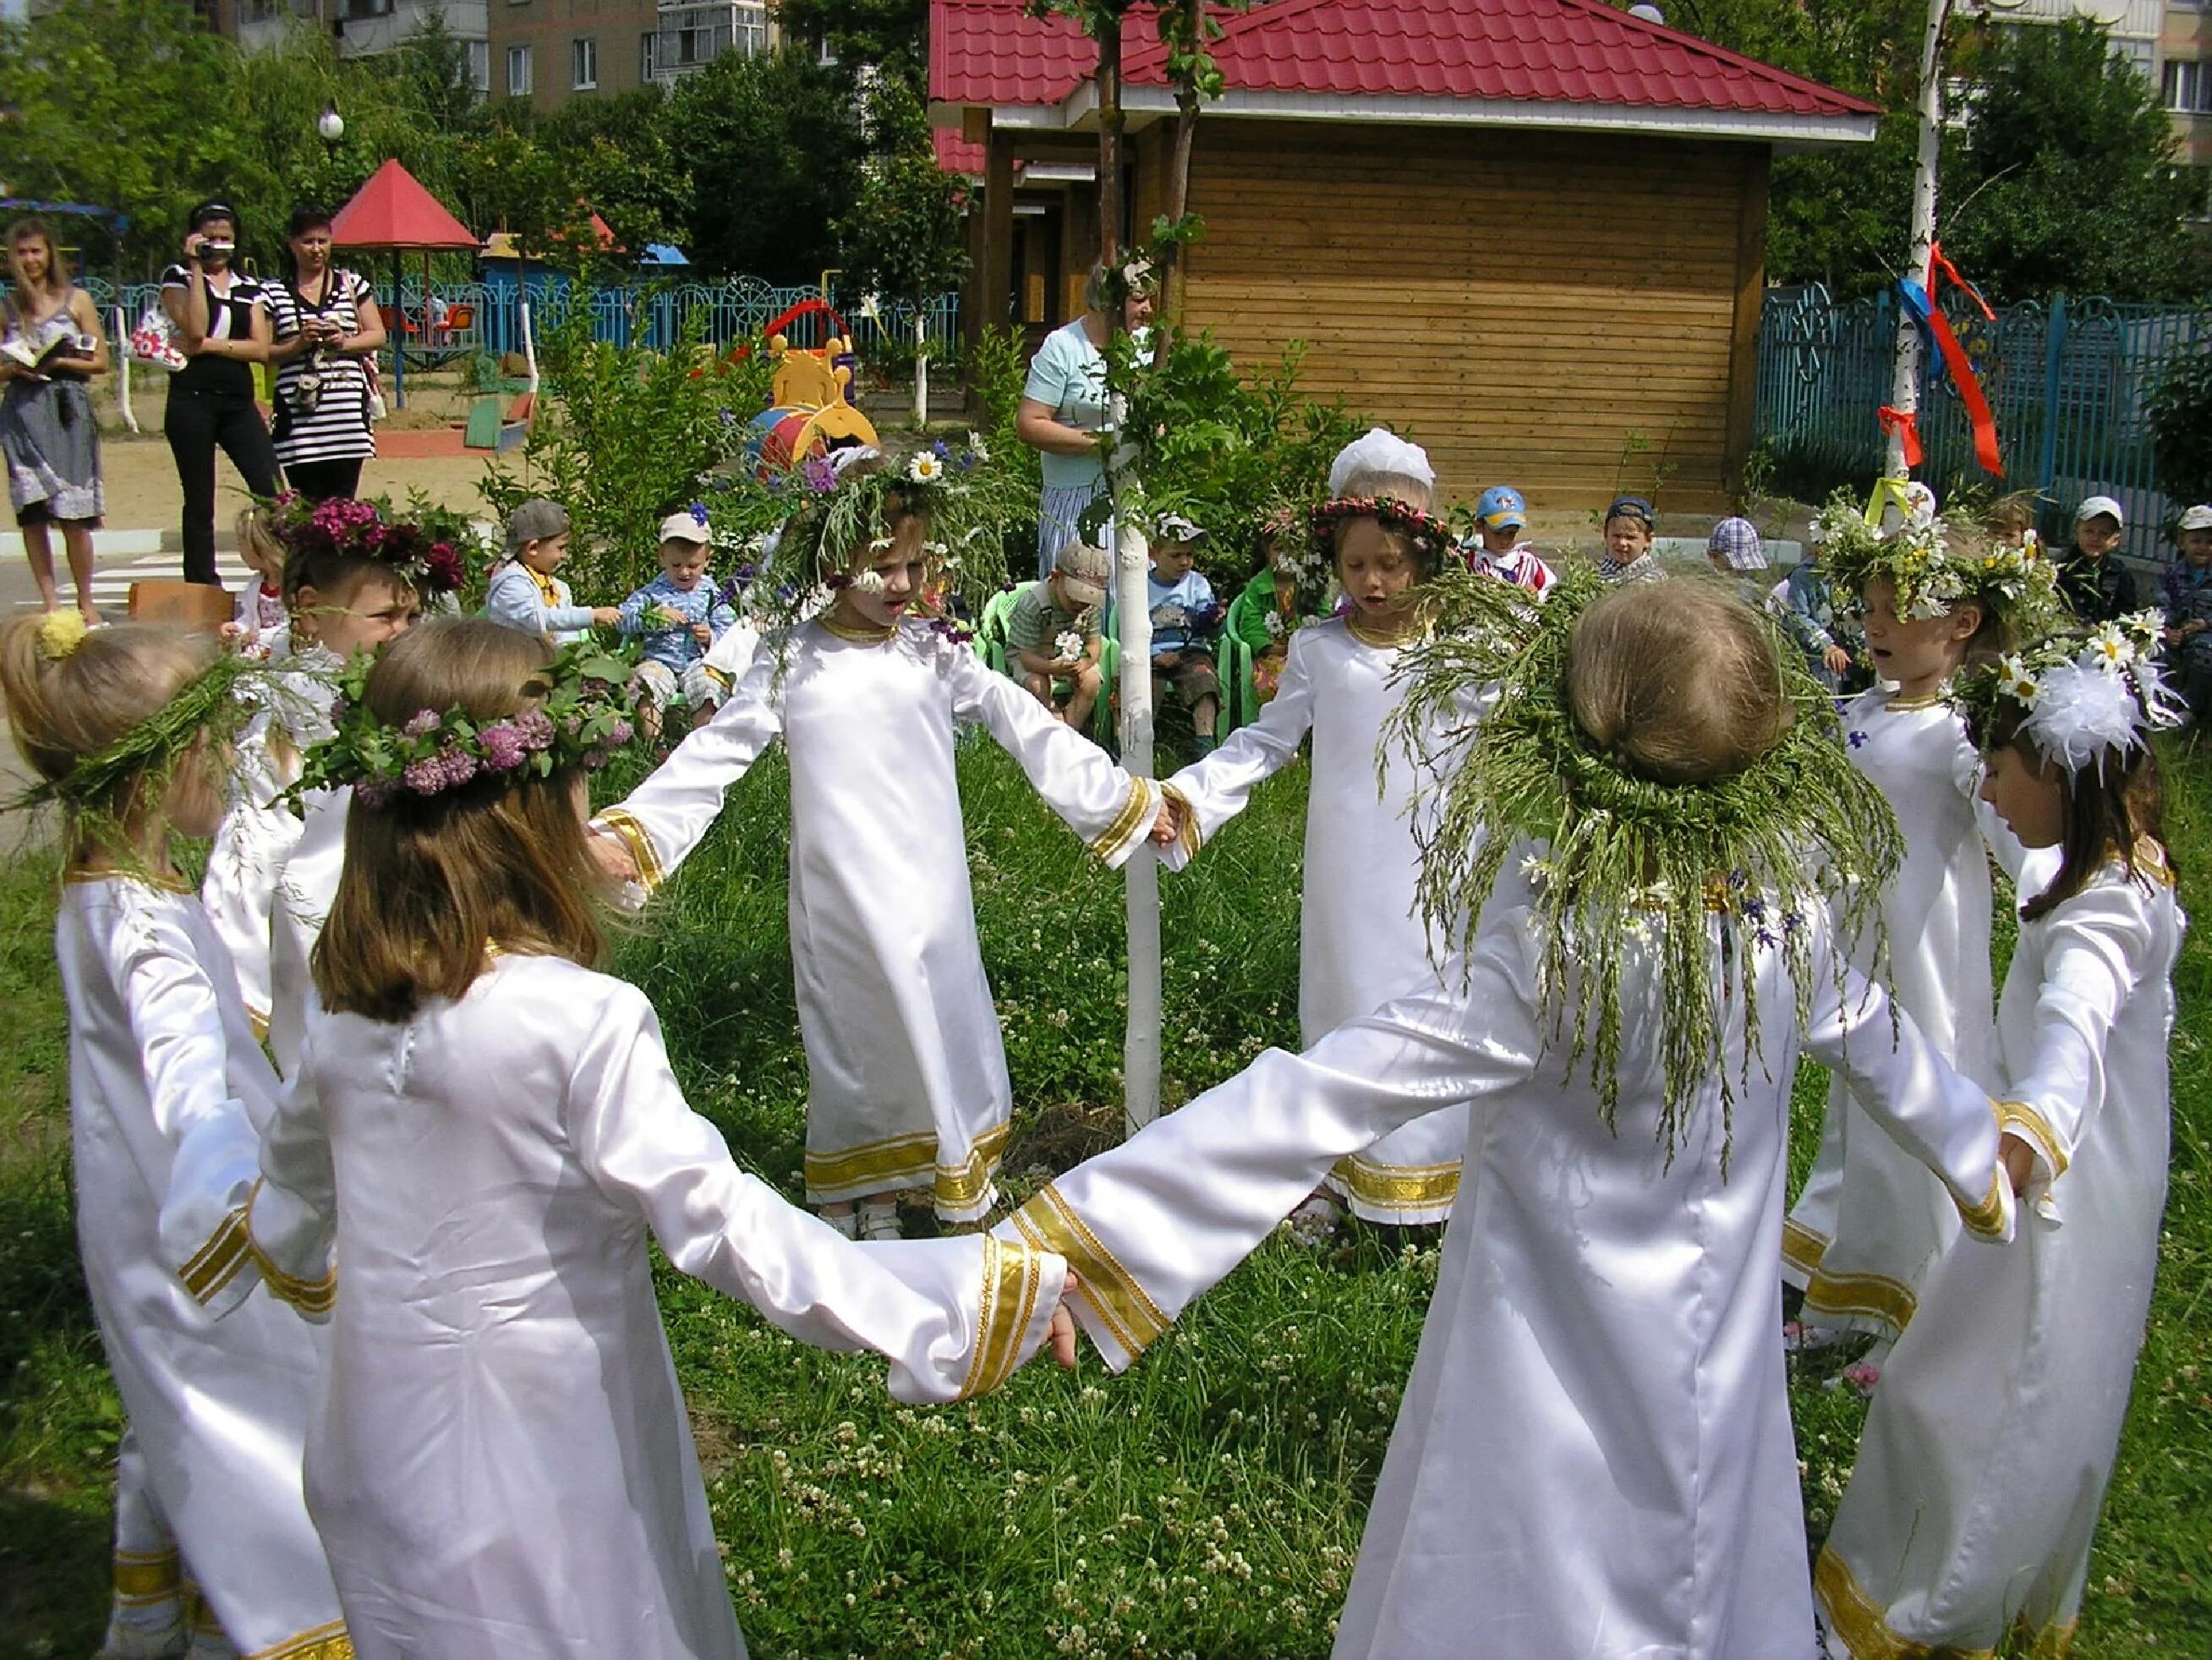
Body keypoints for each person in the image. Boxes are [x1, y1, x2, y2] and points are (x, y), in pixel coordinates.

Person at [1005, 574, 2017, 1660]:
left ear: (1577, 741)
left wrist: (1093, 1231)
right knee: (1704, 1530)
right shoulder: (1788, 919)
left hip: (1543, 1343)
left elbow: (1326, 1090)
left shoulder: (1554, 946)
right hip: (1716, 1344)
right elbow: (1887, 1044)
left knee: (1533, 1541)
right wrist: (1985, 1155)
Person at [244, 616, 1076, 1657]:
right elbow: (728, 1228)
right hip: (551, 1458)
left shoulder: (342, 1022)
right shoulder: (579, 1023)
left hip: (372, 1453)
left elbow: (280, 1225)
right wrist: (959, 1297)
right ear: (535, 812)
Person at [589, 453, 1169, 1241]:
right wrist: (635, 832)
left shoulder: (933, 650)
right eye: (882, 567)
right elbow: (716, 752)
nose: (902, 584)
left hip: (930, 882)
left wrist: (1121, 800)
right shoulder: (793, 658)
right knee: (853, 1030)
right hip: (841, 886)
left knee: (940, 1016)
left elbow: (1021, 721)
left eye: (914, 564)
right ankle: (857, 1191)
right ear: (833, 565)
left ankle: (942, 1170)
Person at [1817, 616, 2182, 1658]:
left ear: (2059, 770)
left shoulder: (2100, 913)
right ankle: (1996, 1579)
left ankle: (1922, 1603)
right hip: (2104, 1174)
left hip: (2050, 1184)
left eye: (2002, 765)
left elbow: (2071, 1036)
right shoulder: (2119, 864)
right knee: (2051, 1375)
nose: (1983, 788)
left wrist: (2020, 1143)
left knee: (1970, 1384)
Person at [0, 610, 348, 1660]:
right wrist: (229, 1177)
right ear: (170, 763)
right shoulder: (139, 923)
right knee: (247, 1416)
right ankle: (276, 1620)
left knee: (182, 1409)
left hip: (146, 1203)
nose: (236, 766)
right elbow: (183, 1056)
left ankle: (150, 1619)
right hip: (193, 1224)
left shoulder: (118, 884)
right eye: (223, 745)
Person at [1157, 429, 1475, 1233]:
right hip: (1347, 871)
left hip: (1435, 864)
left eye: (1392, 563)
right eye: (1357, 562)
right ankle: (1339, 1169)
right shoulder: (1319, 652)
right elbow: (1267, 741)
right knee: (1346, 1002)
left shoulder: (1463, 658)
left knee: (1431, 1003)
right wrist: (1193, 795)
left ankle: (1437, 1171)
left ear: (1425, 560)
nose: (1374, 580)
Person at [1782, 508, 2058, 1375]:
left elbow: (2020, 834)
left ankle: (1920, 1302)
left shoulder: (1961, 739)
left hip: (1926, 949)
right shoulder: (1856, 711)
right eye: (1867, 611)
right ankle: (1845, 1271)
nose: (1875, 627)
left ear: (1961, 624)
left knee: (1926, 1092)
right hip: (1857, 940)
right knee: (1859, 1106)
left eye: (1895, 611)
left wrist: (2061, 893)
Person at [200, 502, 445, 1074]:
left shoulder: (400, 692)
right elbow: (247, 851)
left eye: (412, 618)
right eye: (385, 616)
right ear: (310, 611)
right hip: (328, 940)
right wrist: (234, 999)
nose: (402, 634)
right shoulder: (289, 721)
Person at [162, 200, 279, 587]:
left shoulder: (249, 287)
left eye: (224, 239)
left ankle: (280, 569)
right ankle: (202, 584)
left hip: (237, 400)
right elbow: (193, 328)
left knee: (269, 485)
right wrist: (196, 266)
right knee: (199, 498)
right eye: (209, 238)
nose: (217, 246)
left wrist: (210, 346)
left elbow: (260, 349)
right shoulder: (178, 276)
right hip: (191, 398)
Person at [1015, 260, 1156, 580]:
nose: (1147, 309)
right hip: (1074, 497)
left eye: (1149, 299)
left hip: (1134, 492)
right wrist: (1101, 444)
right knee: (1079, 597)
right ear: (1106, 301)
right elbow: (1030, 423)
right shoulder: (1063, 347)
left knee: (1132, 603)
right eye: (1138, 299)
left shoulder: (1148, 346)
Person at [1, 216, 107, 619]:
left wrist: (63, 359)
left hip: (67, 410)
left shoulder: (76, 299)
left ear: (50, 253)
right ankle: (50, 601)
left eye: (37, 250)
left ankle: (85, 598)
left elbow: (101, 360)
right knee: (33, 514)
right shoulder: (7, 307)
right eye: (23, 252)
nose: (31, 260)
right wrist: (14, 369)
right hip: (23, 412)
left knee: (74, 515)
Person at [262, 204, 386, 502]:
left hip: (345, 416)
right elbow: (265, 351)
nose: (316, 249)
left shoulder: (352, 285)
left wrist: (342, 341)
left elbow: (377, 335)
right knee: (306, 503)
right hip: (298, 414)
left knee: (343, 504)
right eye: (308, 242)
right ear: (292, 245)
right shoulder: (272, 292)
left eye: (322, 241)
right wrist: (299, 343)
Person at [617, 508, 739, 731]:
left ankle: (701, 748)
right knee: (647, 686)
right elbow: (621, 620)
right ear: (662, 557)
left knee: (709, 688)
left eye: (692, 566)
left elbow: (731, 630)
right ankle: (653, 749)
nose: (684, 572)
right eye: (676, 565)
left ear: (707, 560)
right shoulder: (653, 593)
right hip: (658, 660)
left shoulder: (710, 593)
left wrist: (710, 636)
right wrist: (653, 616)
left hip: (697, 661)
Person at [485, 498, 619, 644]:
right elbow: (537, 618)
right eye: (560, 548)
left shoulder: (557, 587)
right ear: (533, 548)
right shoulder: (511, 584)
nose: (564, 555)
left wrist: (571, 654)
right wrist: (590, 615)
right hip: (512, 660)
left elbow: (564, 630)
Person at [1008, 540, 1110, 727]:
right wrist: (1053, 668)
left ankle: (1069, 729)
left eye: (1087, 601)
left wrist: (1086, 662)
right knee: (1038, 685)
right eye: (1075, 598)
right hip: (1032, 656)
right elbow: (1026, 657)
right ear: (1056, 577)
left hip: (1069, 659)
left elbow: (1094, 644)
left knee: (1092, 681)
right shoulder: (1035, 604)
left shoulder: (1090, 607)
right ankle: (1051, 721)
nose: (1081, 606)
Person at [1145, 512, 1222, 755]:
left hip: (1190, 651)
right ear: (1153, 554)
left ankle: (1205, 745)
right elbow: (1129, 629)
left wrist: (1214, 619)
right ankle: (1131, 745)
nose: (1184, 562)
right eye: (1175, 555)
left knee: (1205, 682)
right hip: (1149, 654)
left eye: (1189, 554)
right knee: (1134, 687)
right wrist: (1152, 655)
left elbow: (1207, 625)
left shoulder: (1197, 584)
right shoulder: (1140, 586)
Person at [2160, 501, 2212, 722]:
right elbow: (2161, 604)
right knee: (2158, 652)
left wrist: (2205, 623)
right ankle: (2160, 704)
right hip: (2177, 633)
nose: (2204, 547)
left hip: (2206, 636)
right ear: (2182, 542)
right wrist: (2167, 628)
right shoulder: (2171, 574)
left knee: (2204, 655)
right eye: (2196, 541)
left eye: (2210, 542)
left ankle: (2189, 710)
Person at [2056, 493, 2137, 623]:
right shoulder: (2060, 570)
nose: (2095, 538)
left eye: (2104, 533)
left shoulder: (2120, 574)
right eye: (2089, 531)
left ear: (2115, 540)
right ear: (2076, 532)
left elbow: (2128, 616)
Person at [1468, 484, 1556, 595]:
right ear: (1479, 526)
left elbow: (1551, 588)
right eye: (1497, 533)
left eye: (1511, 533)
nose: (1505, 540)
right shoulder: (1472, 561)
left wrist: (1537, 595)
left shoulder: (1527, 561)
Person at [228, 503, 289, 650]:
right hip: (260, 652)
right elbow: (250, 618)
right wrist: (237, 629)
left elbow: (292, 627)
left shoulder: (291, 585)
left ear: (259, 547)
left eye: (241, 545)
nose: (240, 552)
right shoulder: (256, 585)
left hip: (285, 653)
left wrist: (258, 636)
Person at [1596, 494, 1663, 584]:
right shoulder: (1598, 571)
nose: (1622, 543)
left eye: (1630, 538)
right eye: (1617, 536)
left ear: (1648, 540)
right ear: (1606, 535)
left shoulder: (1651, 581)